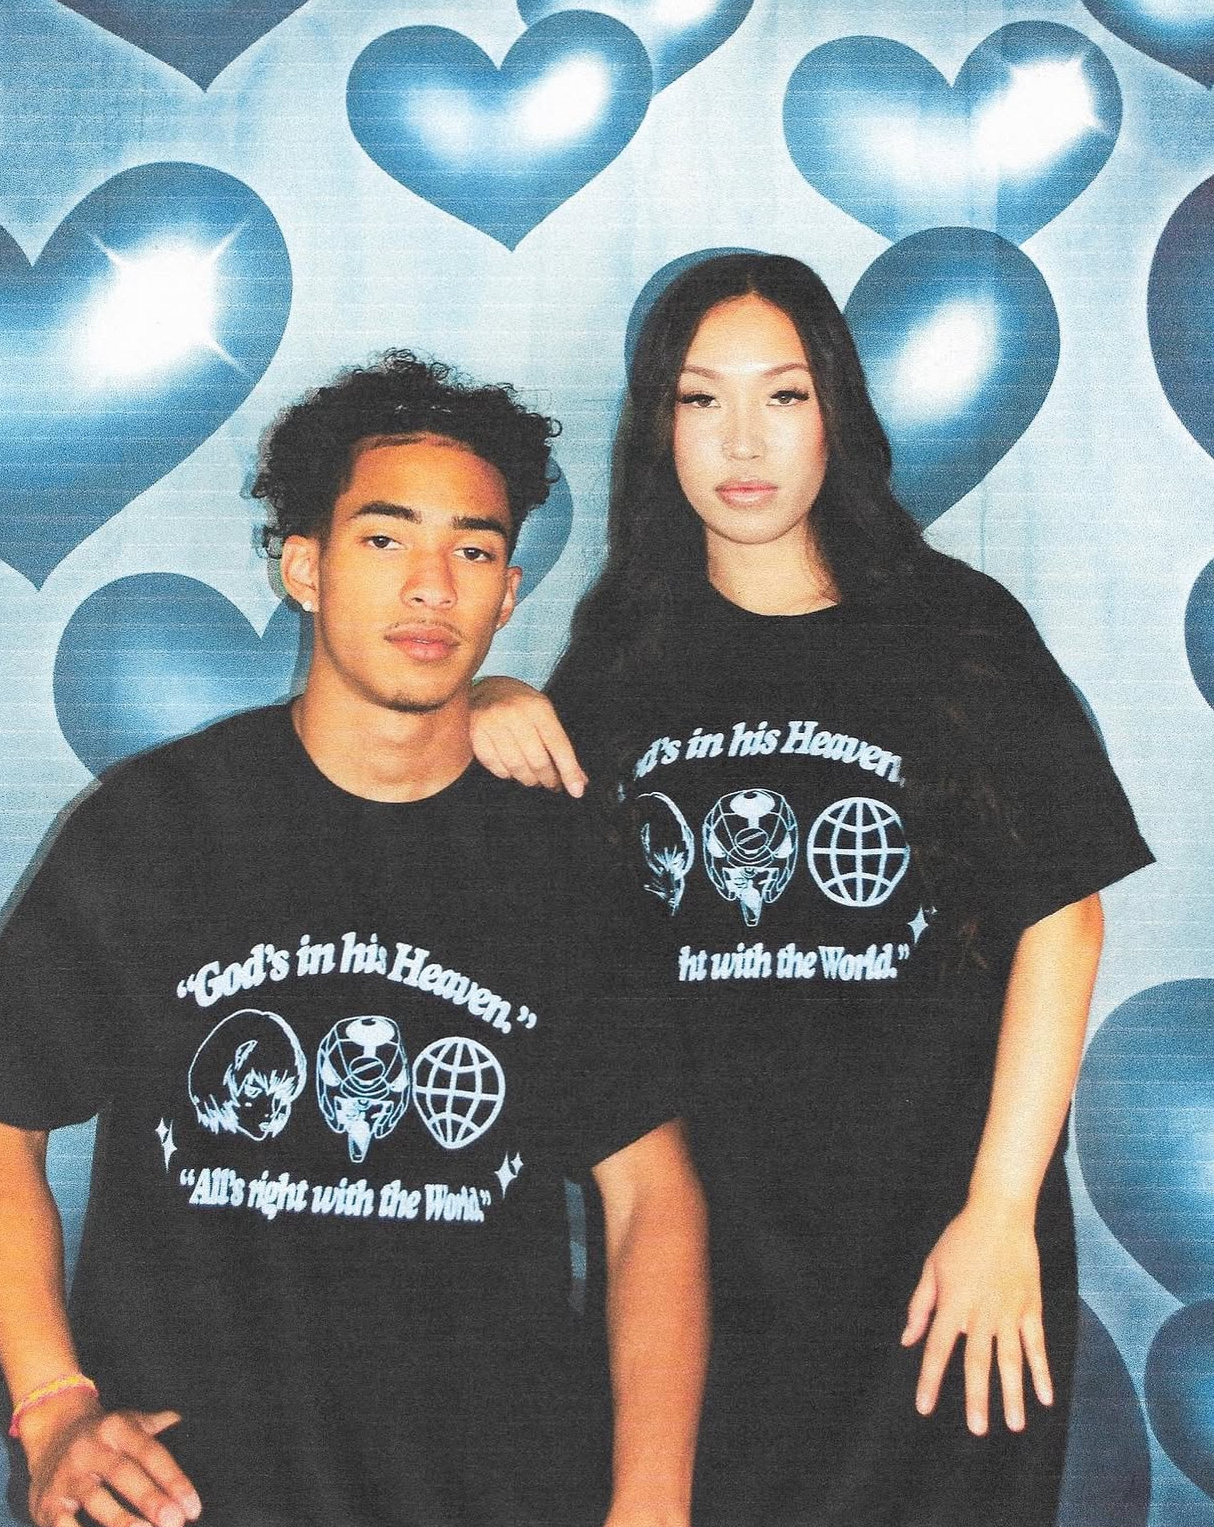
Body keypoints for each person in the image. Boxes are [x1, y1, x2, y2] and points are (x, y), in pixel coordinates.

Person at [0, 352, 708, 1527]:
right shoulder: (159, 826)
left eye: (474, 551)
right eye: (385, 539)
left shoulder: (566, 864)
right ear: (304, 566)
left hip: (491, 1492)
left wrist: (651, 1500)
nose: (431, 586)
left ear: (508, 594)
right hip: (186, 1494)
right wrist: (50, 1406)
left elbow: (651, 1193)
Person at [468, 254, 1153, 1526]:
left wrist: (1001, 1209)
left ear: (835, 410)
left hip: (941, 1256)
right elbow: (539, 913)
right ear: (658, 424)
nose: (743, 440)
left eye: (782, 395)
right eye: (701, 398)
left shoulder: (954, 628)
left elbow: (1062, 914)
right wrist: (490, 698)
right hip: (708, 1277)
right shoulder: (622, 654)